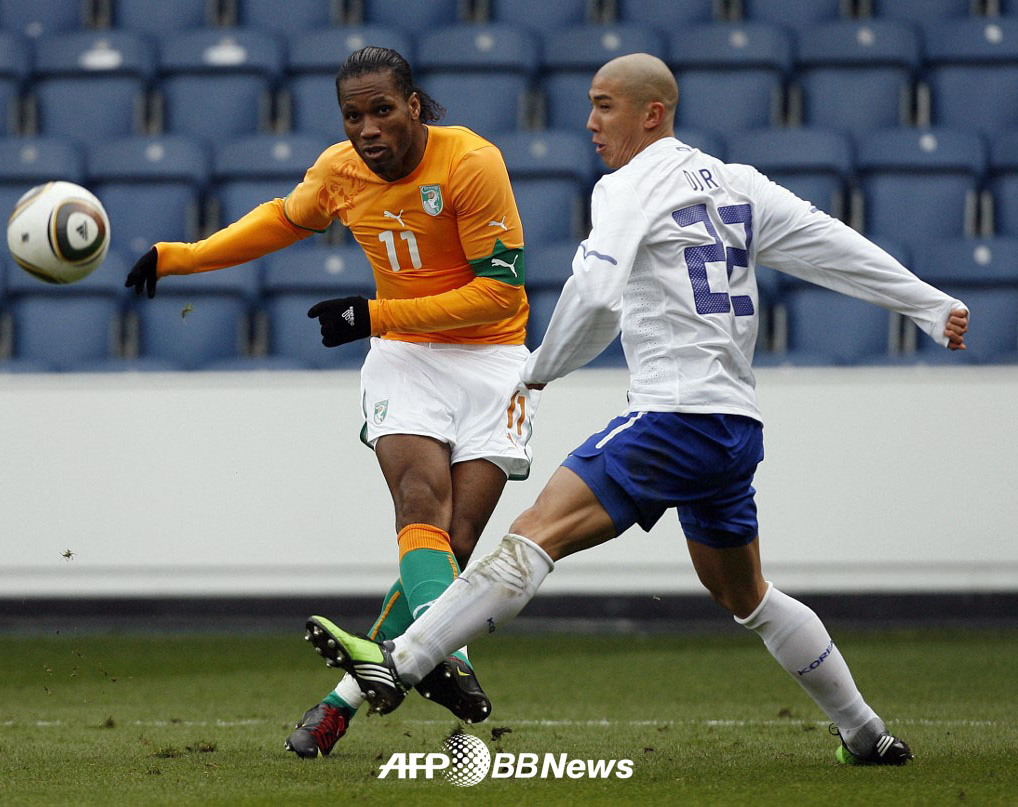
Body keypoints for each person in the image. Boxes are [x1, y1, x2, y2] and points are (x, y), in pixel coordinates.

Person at [299, 52, 971, 767]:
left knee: (532, 536)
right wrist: (931, 305)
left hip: (671, 419)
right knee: (744, 593)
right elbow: (828, 243)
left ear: (652, 113)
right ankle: (866, 733)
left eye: (605, 106)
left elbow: (594, 293)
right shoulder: (735, 184)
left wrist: (538, 369)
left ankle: (398, 662)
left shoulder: (628, 186)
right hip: (734, 428)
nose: (590, 123)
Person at [125, 46, 539, 758]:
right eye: (353, 115)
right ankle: (454, 661)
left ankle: (338, 704)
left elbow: (499, 293)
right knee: (420, 502)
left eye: (381, 109)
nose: (367, 128)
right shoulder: (339, 172)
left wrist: (374, 314)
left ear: (413, 105)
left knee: (455, 548)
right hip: (407, 360)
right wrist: (179, 256)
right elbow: (279, 219)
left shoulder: (471, 163)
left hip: (493, 360)